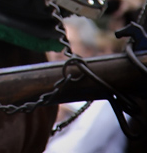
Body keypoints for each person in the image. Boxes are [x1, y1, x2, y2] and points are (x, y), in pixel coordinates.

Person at [44, 16, 128, 153]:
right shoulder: (49, 97)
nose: (56, 52)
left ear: (88, 51)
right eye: (52, 44)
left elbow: (73, 149)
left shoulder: (106, 100)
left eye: (65, 43)